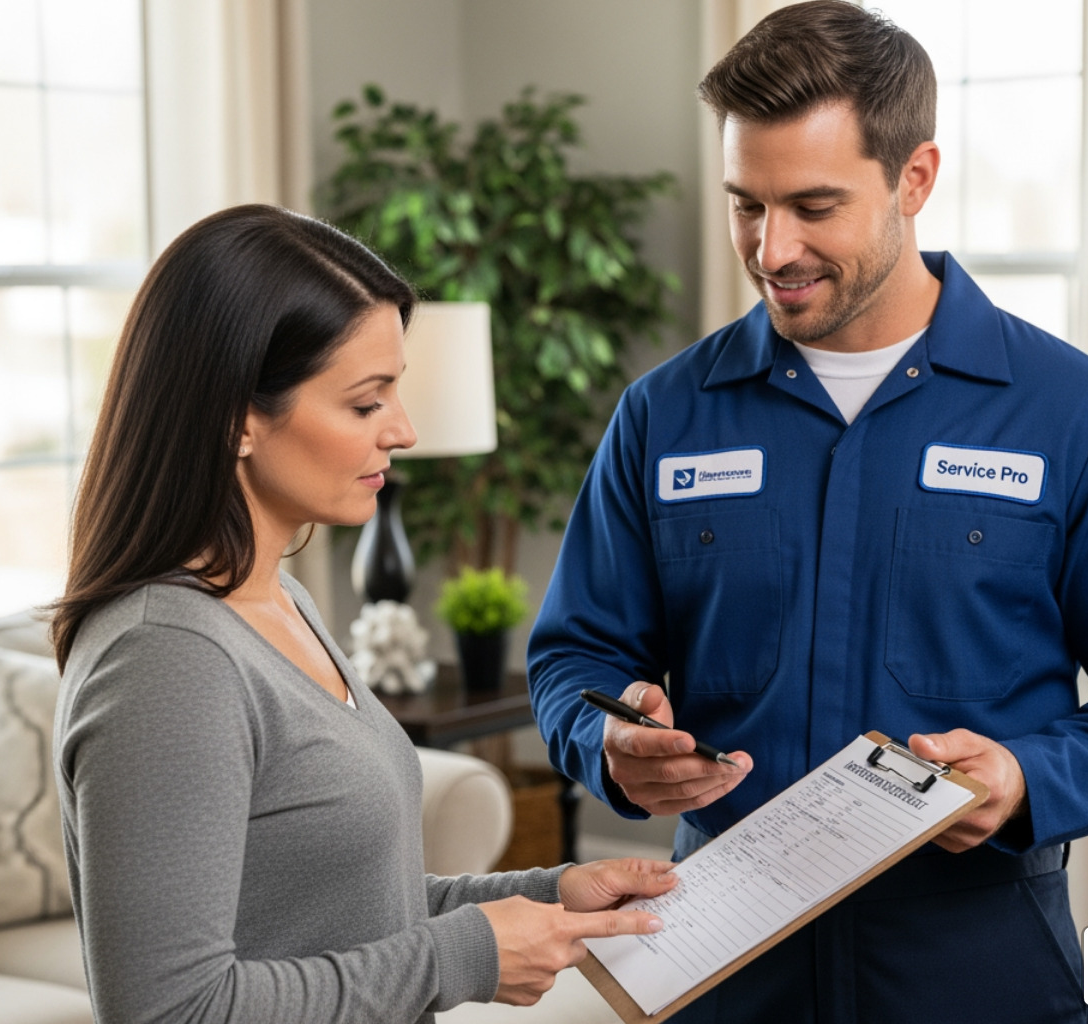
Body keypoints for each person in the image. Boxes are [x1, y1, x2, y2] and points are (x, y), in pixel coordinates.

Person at [526, 4, 1088, 1022]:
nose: (772, 248)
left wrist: (1026, 777)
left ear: (916, 178)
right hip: (723, 969)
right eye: (746, 205)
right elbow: (573, 659)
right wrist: (608, 744)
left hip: (978, 965)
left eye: (814, 206)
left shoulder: (1076, 413)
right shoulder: (664, 416)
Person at [50, 204, 675, 1024]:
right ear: (239, 415)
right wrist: (466, 957)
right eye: (364, 403)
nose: (405, 431)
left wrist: (546, 894)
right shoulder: (165, 659)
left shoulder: (279, 599)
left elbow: (333, 909)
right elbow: (171, 1009)